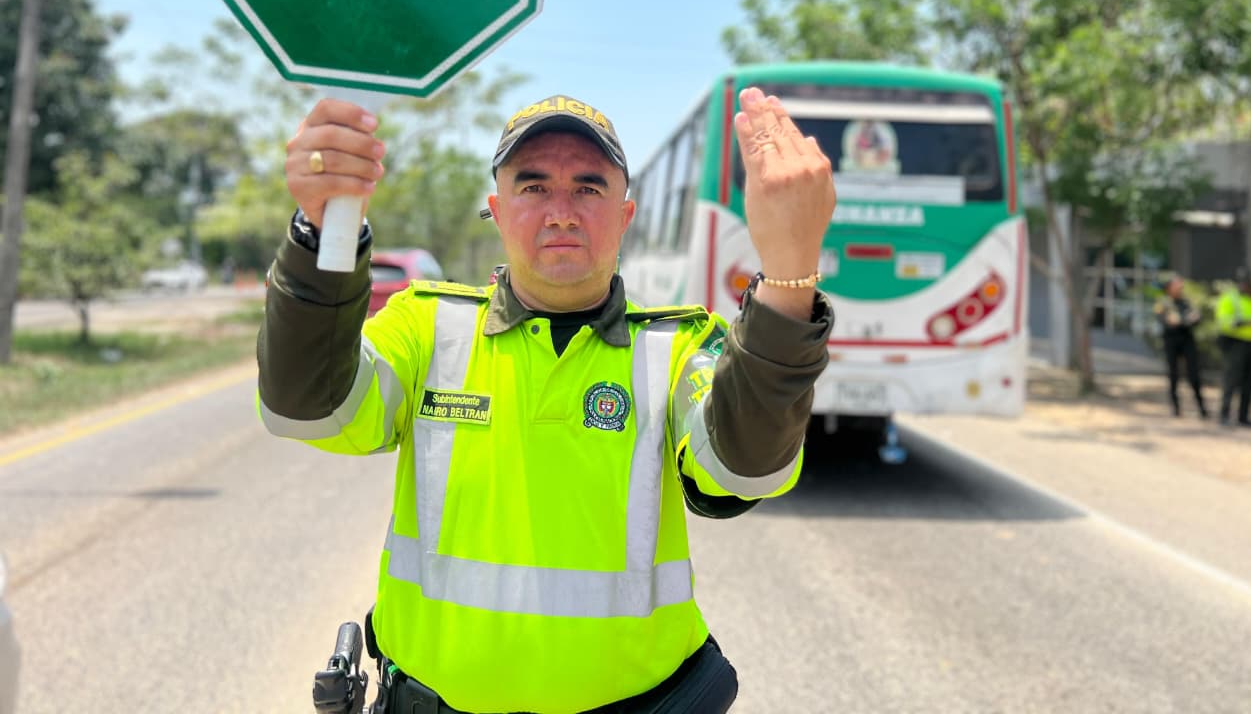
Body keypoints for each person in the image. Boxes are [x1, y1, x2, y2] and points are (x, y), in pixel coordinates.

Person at [257, 89, 836, 714]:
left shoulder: (679, 346)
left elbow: (742, 471)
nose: (562, 211)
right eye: (533, 188)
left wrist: (788, 269)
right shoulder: (427, 327)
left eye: (589, 188)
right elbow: (308, 409)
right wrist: (322, 232)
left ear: (625, 215)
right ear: (497, 211)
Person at [1214, 268, 1251, 426]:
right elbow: (1224, 322)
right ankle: (1224, 414)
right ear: (1244, 285)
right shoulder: (1230, 298)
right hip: (1235, 344)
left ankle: (1243, 416)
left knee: (1249, 382)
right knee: (1231, 380)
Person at [1152, 275, 1206, 418]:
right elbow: (1167, 322)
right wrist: (1185, 321)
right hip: (1171, 342)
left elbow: (1196, 318)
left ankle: (1202, 408)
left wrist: (1181, 321)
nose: (1180, 288)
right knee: (1173, 375)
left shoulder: (1186, 302)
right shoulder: (1163, 303)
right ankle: (1176, 409)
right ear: (1169, 288)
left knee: (1194, 374)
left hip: (1187, 341)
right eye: (1176, 286)